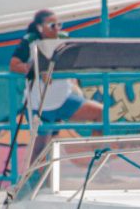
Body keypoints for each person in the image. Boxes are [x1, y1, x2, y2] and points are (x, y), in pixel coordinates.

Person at [9, 9, 103, 158]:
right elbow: (14, 64)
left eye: (59, 24)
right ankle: (33, 179)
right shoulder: (30, 42)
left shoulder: (64, 39)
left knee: (100, 112)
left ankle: (98, 159)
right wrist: (37, 70)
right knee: (41, 146)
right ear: (40, 27)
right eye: (52, 25)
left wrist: (74, 83)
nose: (57, 28)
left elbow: (72, 63)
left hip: (64, 99)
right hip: (39, 104)